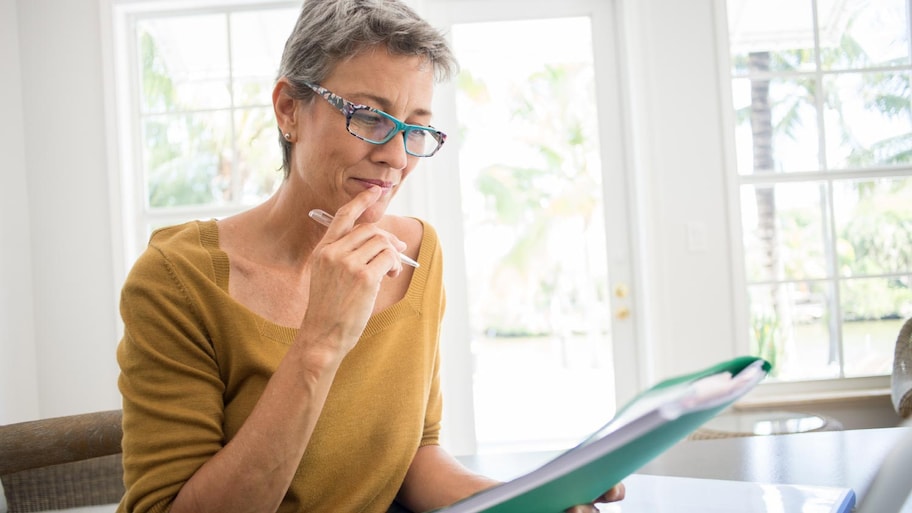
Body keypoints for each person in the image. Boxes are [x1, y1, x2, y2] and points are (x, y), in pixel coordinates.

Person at [115, 1, 625, 512]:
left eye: (415, 128)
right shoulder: (176, 280)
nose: (397, 159)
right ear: (289, 110)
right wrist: (320, 341)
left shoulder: (417, 255)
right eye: (369, 117)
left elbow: (414, 457)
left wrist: (527, 502)